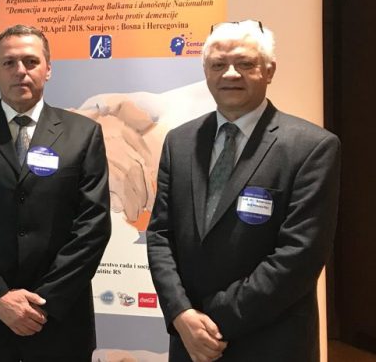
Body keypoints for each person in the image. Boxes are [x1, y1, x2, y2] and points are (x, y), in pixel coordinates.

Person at [146, 20, 341, 362]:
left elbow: (299, 256)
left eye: (245, 63)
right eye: (218, 64)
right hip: (190, 342)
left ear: (269, 71)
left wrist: (211, 321)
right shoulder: (179, 142)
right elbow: (161, 235)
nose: (230, 74)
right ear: (206, 72)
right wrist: (180, 313)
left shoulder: (312, 147)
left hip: (270, 342)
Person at [0, 25, 112, 362]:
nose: (21, 71)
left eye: (31, 61)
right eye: (9, 63)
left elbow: (93, 227)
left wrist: (43, 302)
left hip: (58, 322)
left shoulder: (84, 134)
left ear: (48, 69)